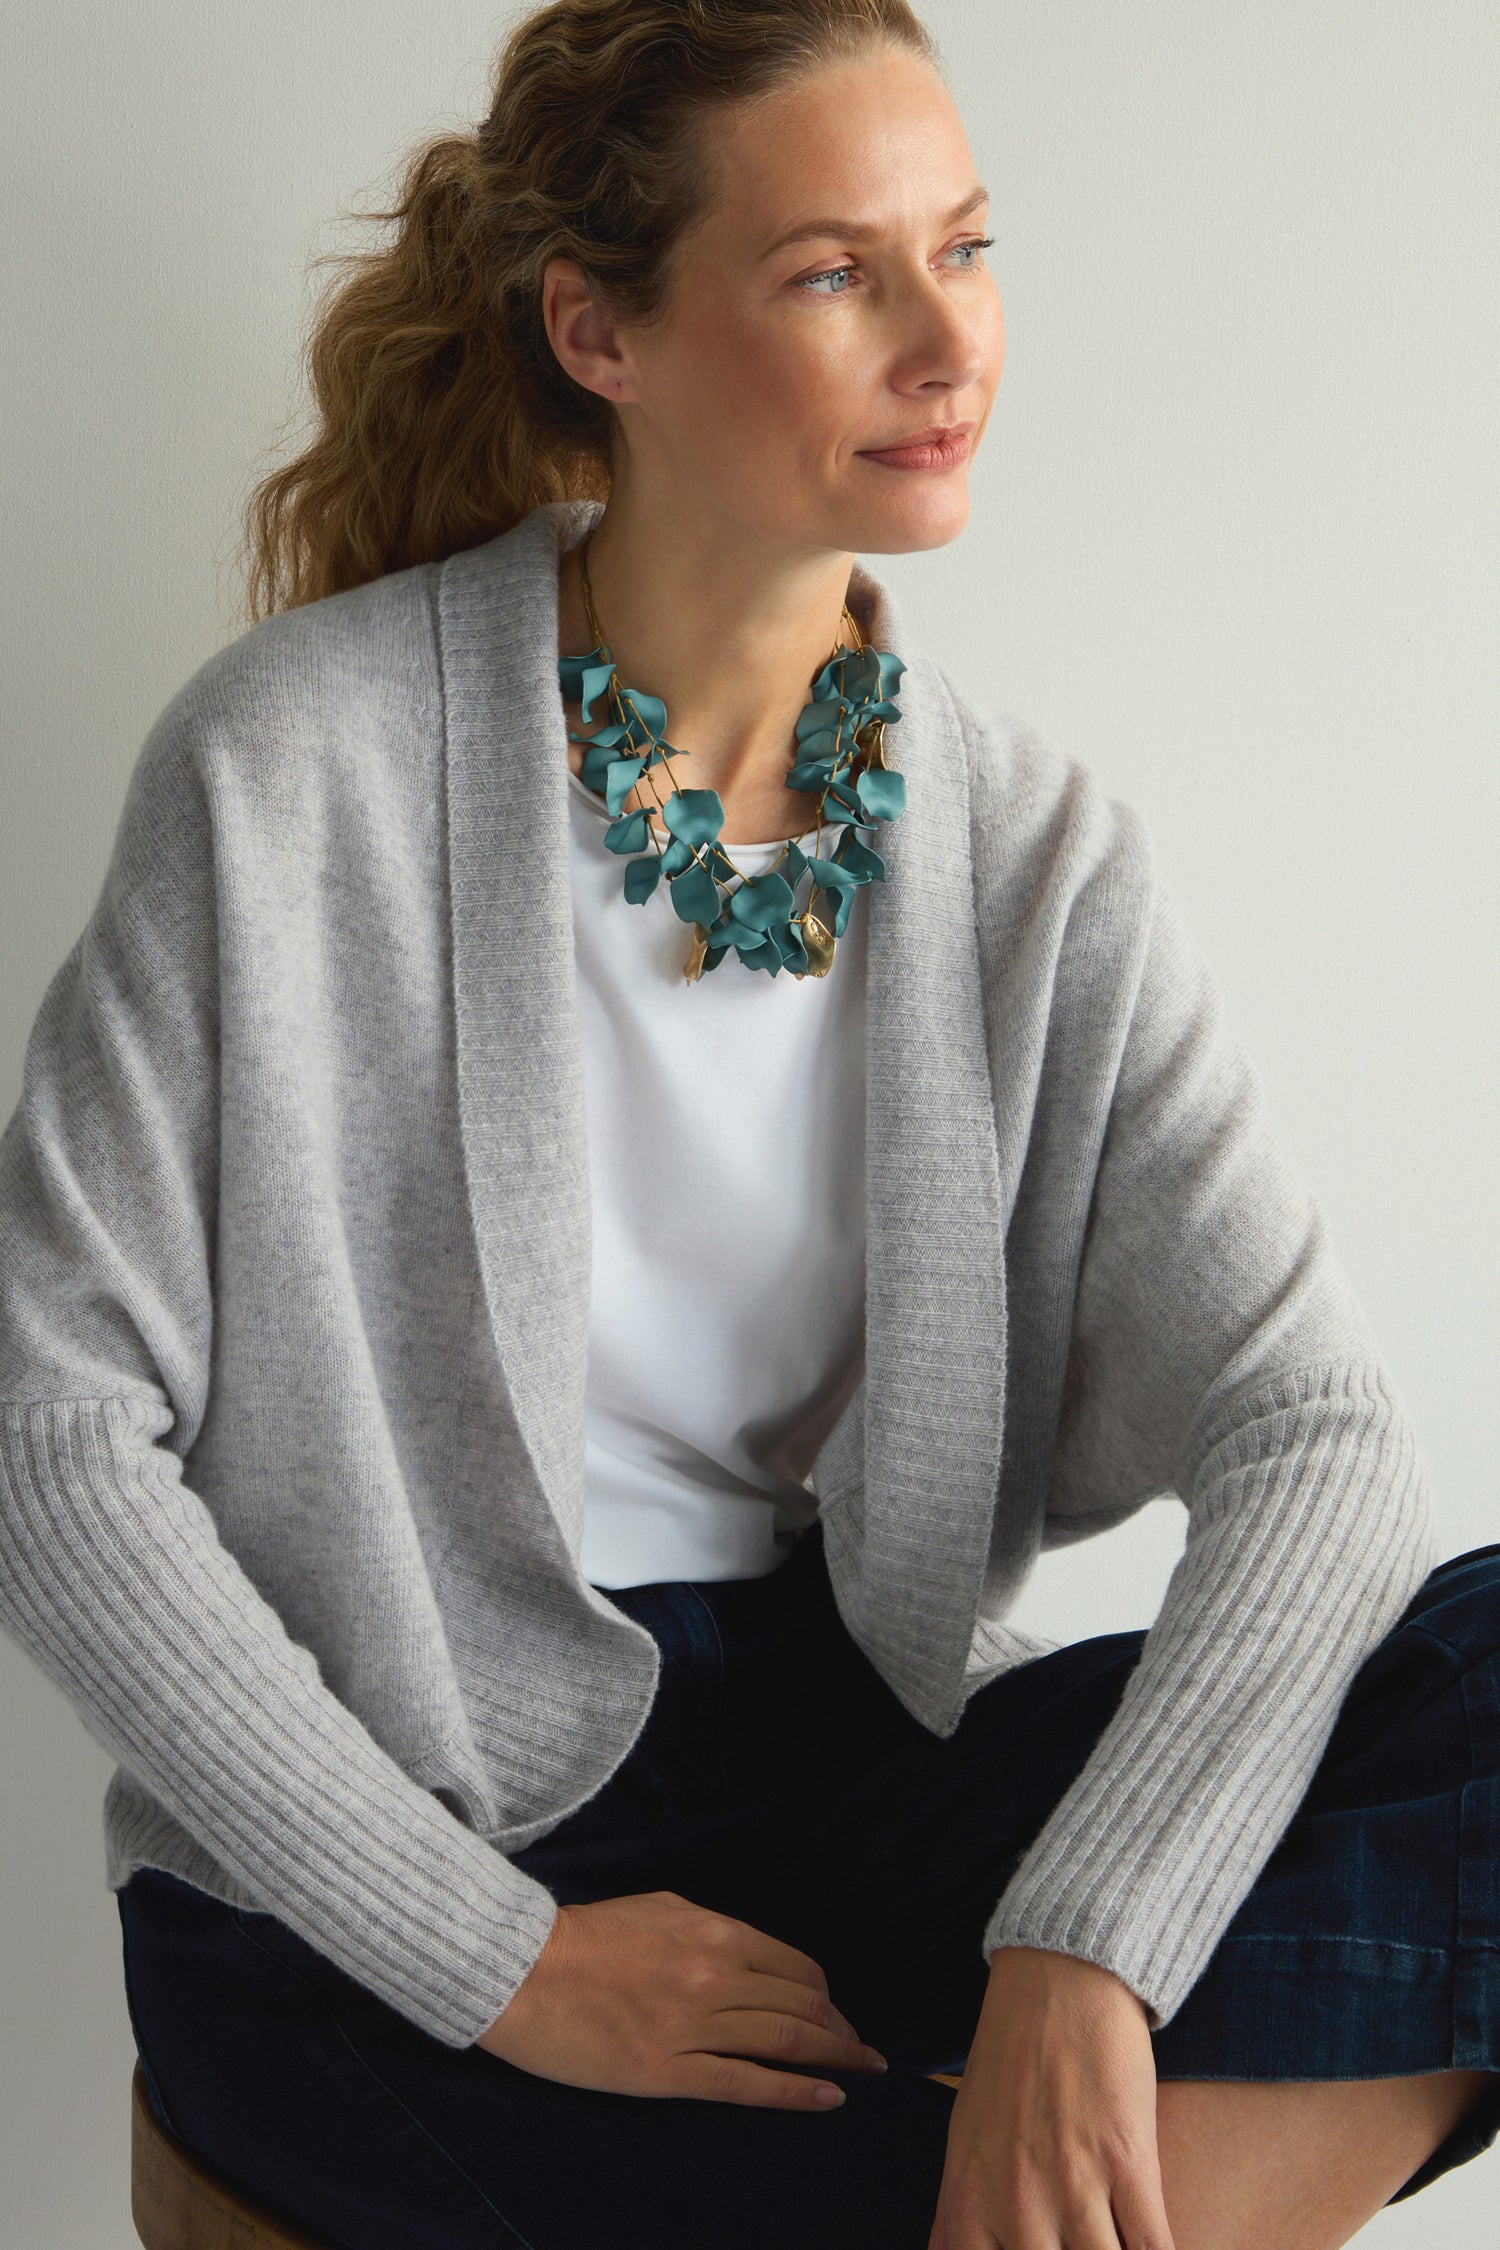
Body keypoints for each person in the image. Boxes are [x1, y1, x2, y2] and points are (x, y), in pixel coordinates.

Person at [1, 2, 1496, 2245]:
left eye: (967, 249)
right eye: (833, 273)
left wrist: (1091, 1935)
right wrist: (488, 1956)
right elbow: (48, 1437)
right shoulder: (287, 771)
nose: (944, 339)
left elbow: (1318, 1433)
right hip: (396, 1837)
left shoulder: (1031, 855)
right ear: (597, 328)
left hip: (833, 1765)